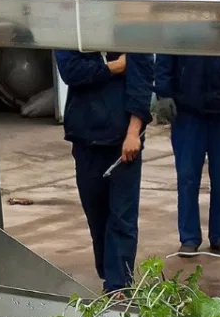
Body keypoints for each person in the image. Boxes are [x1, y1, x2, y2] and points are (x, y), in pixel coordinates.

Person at [55, 49, 154, 293]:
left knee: (122, 217)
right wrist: (113, 68)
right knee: (96, 214)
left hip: (123, 142)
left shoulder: (130, 27)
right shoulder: (75, 30)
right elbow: (70, 72)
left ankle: (118, 285)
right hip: (85, 136)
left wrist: (133, 132)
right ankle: (108, 274)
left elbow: (141, 79)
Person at [154, 0, 220, 257]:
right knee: (187, 176)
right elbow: (166, 49)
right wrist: (163, 92)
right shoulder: (181, 1)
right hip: (187, 111)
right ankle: (189, 237)